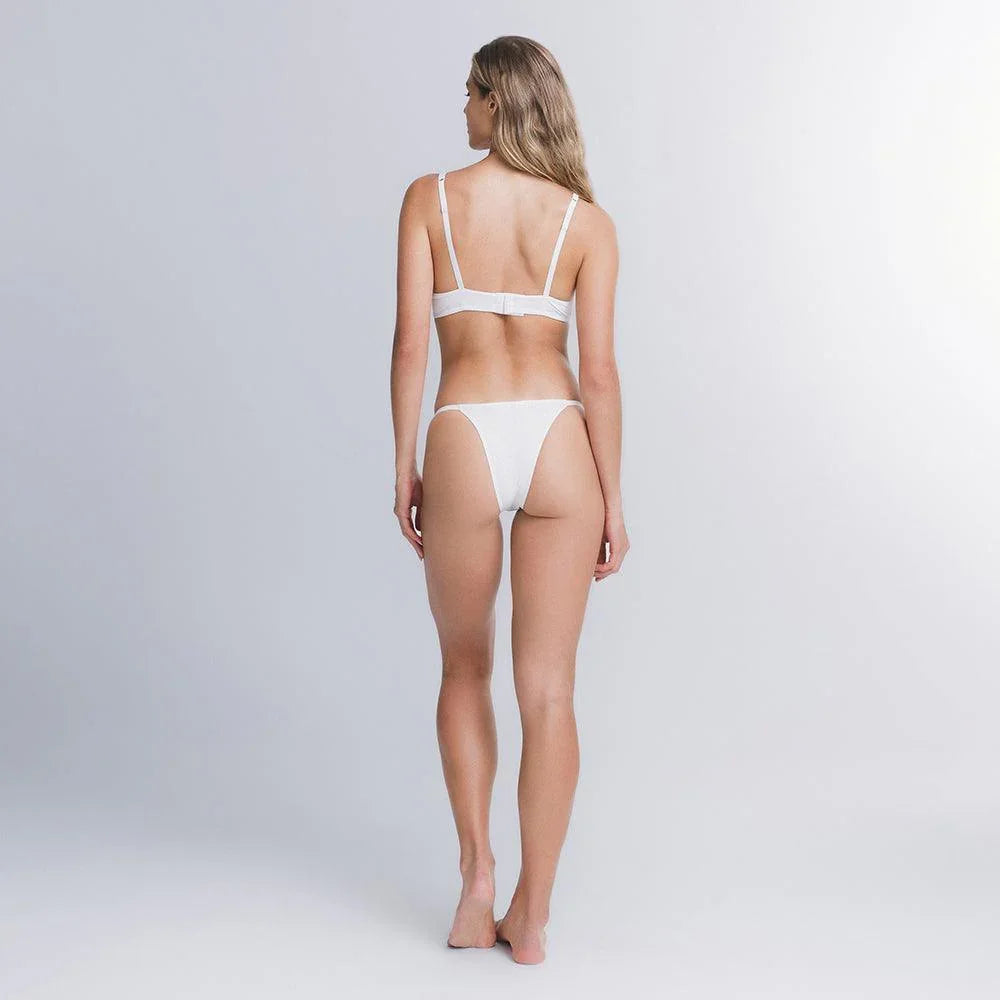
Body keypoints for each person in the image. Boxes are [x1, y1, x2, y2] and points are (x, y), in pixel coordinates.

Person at [390, 35, 629, 965]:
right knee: (550, 691)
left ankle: (478, 882)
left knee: (463, 670)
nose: (462, 107)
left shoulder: (429, 199)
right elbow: (598, 374)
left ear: (499, 100)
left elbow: (412, 346)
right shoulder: (587, 223)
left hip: (466, 431)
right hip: (560, 438)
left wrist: (402, 464)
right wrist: (613, 500)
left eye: (471, 93)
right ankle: (532, 918)